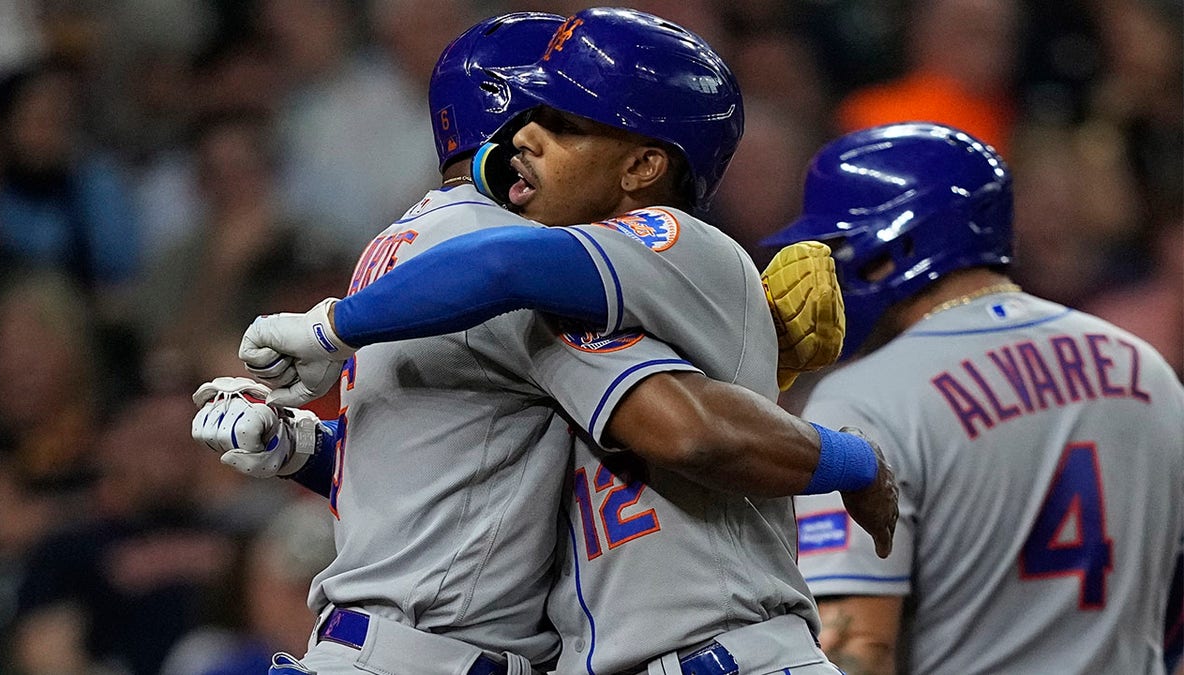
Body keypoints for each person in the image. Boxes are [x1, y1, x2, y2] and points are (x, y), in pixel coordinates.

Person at [225, 9, 896, 675]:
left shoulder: (635, 242)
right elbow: (458, 481)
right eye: (532, 116)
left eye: (563, 124)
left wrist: (332, 329)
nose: (530, 139)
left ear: (642, 165)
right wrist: (310, 446)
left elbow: (687, 430)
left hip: (729, 653)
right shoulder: (487, 275)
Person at [760, 122, 1184, 674]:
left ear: (896, 244)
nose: (830, 269)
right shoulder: (1144, 367)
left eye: (841, 244)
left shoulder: (864, 398)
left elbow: (856, 648)